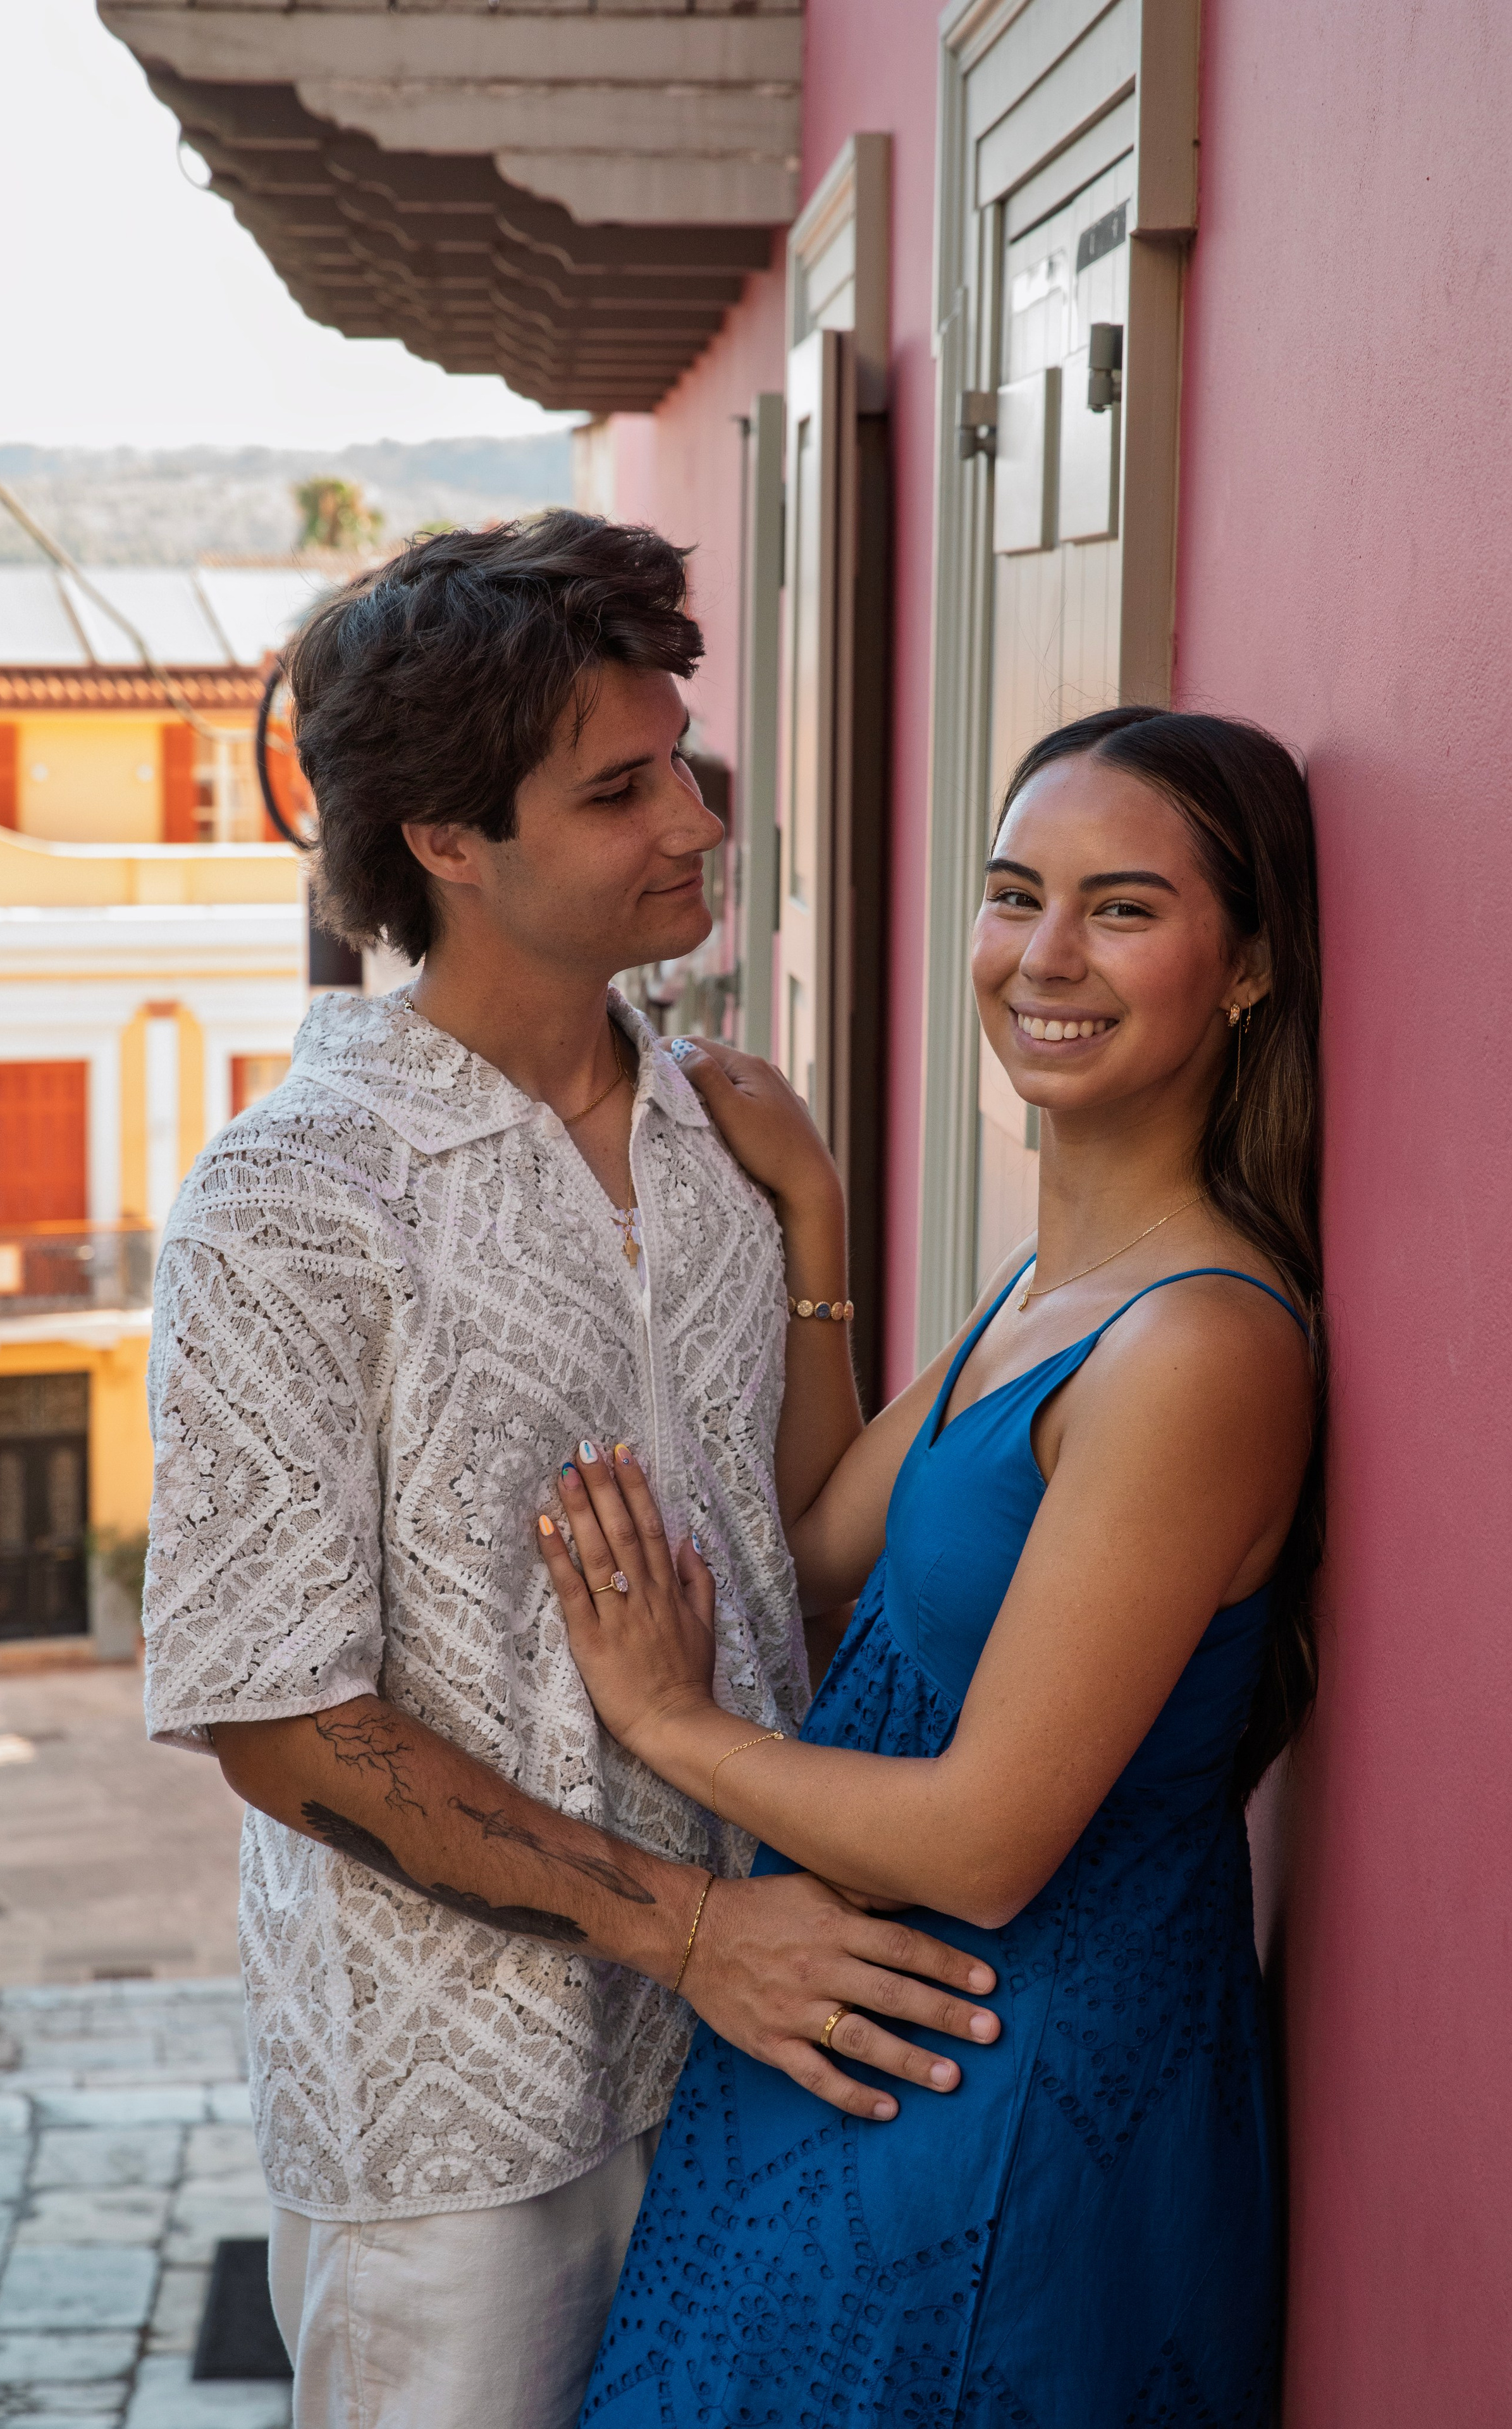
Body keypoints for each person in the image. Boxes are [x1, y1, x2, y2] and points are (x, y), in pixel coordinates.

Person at [139, 513, 1000, 2429]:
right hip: (468, 2136)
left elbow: (795, 1565)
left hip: (753, 2065)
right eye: (620, 790)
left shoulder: (717, 1135)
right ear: (446, 839)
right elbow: (277, 1721)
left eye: (680, 758)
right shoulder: (291, 1201)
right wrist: (693, 1930)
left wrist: (816, 1232)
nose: (693, 820)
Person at [539, 706, 1323, 2425]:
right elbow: (817, 1541)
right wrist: (814, 1215)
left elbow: (983, 1843)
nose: (1045, 953)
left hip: (1001, 2116)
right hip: (859, 2073)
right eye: (1014, 890)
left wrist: (666, 1725)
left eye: (1123, 907)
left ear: (1250, 966)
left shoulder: (1197, 1344)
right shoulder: (1050, 1293)